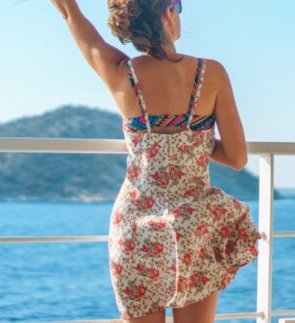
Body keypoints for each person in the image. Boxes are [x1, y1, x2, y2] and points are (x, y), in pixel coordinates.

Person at [50, 1, 260, 322]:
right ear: (166, 14)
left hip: (135, 229)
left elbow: (69, 13)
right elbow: (236, 157)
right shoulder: (211, 73)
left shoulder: (121, 73)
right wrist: (195, 136)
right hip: (192, 227)